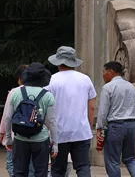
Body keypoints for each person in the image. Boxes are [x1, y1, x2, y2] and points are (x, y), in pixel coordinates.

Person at [2, 63, 58, 177]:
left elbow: (8, 118)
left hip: (20, 138)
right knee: (40, 172)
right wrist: (55, 143)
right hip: (41, 139)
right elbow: (52, 121)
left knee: (19, 172)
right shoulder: (47, 95)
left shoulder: (16, 93)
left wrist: (8, 138)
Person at [47, 46, 96, 177]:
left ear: (58, 62)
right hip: (81, 131)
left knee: (57, 169)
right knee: (83, 167)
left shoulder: (51, 81)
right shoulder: (85, 79)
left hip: (59, 132)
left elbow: (46, 108)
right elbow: (91, 107)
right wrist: (88, 126)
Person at [96, 61, 135, 177]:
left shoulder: (108, 87)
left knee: (112, 161)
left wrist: (99, 127)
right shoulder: (132, 87)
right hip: (132, 125)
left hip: (116, 126)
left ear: (110, 72)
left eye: (104, 72)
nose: (103, 75)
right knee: (130, 158)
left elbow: (103, 111)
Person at [0, 65, 36, 177]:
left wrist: (2, 132)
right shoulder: (41, 91)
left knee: (11, 164)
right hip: (35, 134)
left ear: (19, 78)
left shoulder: (14, 92)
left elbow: (7, 115)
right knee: (31, 166)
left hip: (16, 134)